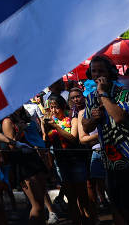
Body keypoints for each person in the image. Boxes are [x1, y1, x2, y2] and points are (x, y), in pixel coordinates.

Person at [81, 55, 129, 225]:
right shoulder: (90, 97)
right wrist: (93, 119)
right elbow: (86, 126)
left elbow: (119, 117)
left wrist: (104, 95)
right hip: (110, 162)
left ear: (111, 72)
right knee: (119, 208)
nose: (97, 75)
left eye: (101, 71)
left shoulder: (124, 94)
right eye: (94, 71)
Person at [42, 94, 91, 225]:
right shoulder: (48, 122)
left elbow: (73, 138)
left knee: (82, 195)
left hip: (76, 160)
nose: (53, 111)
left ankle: (88, 220)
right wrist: (45, 129)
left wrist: (56, 128)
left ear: (63, 107)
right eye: (51, 108)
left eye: (56, 107)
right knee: (71, 197)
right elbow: (46, 142)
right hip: (61, 162)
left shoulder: (72, 120)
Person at [2, 107, 52, 224]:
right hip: (23, 164)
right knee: (36, 205)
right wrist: (20, 131)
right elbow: (11, 146)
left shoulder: (23, 116)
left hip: (34, 158)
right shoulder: (7, 121)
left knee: (40, 202)